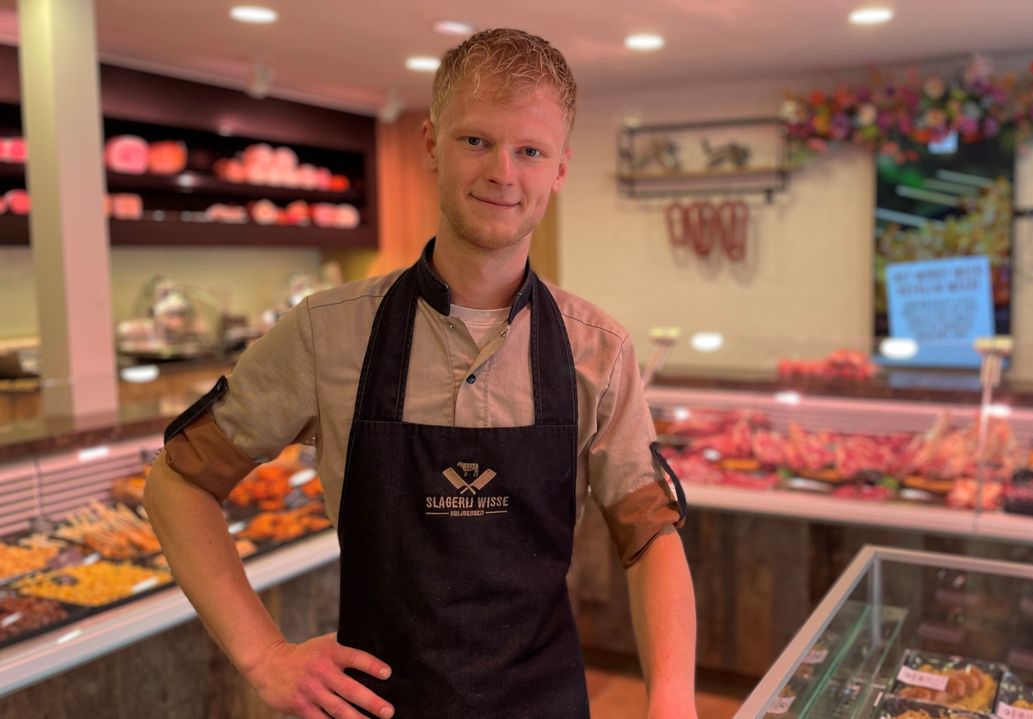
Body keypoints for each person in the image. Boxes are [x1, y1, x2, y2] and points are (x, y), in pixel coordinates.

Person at [144, 28, 696, 719]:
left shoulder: (597, 350)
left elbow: (650, 536)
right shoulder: (329, 329)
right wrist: (264, 656)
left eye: (529, 150)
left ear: (559, 168)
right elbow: (179, 480)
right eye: (476, 141)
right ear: (431, 143)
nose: (502, 171)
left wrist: (673, 700)